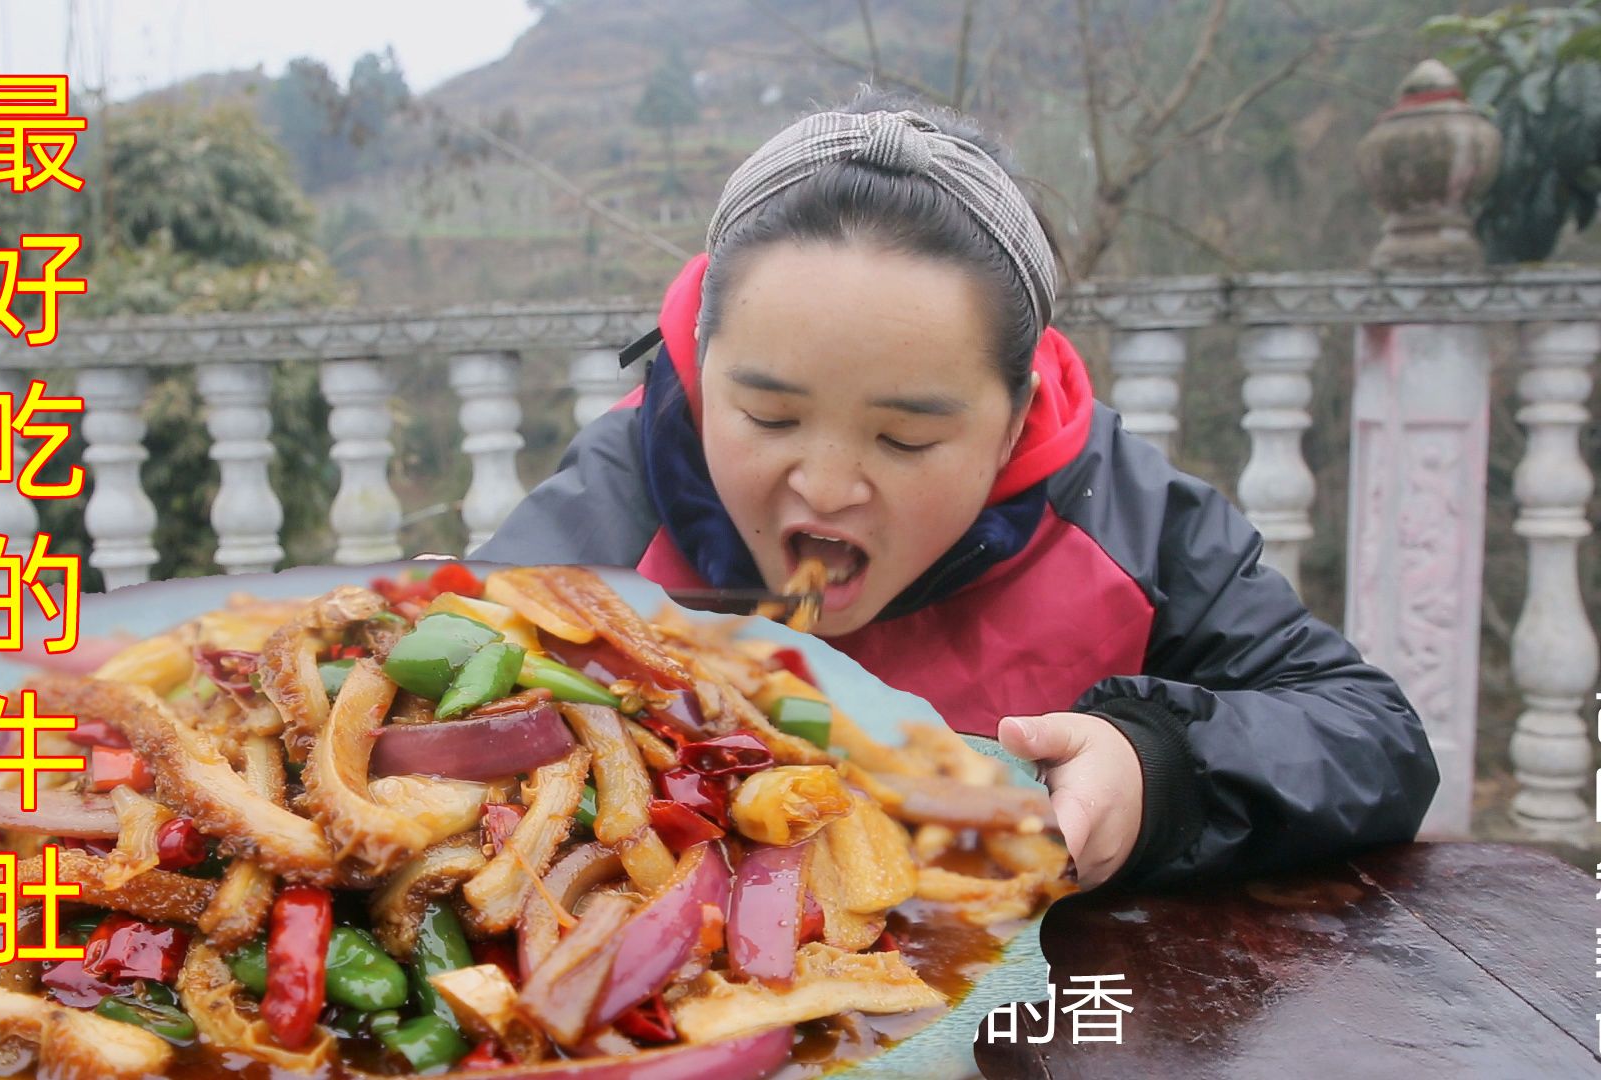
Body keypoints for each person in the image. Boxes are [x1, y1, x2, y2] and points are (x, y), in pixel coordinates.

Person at [470, 94, 1438, 891]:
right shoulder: (624, 494)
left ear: (1017, 419)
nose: (828, 485)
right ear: (698, 363)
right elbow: (429, 695)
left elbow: (1369, 736)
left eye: (907, 436)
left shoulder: (1123, 519)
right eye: (768, 418)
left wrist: (1161, 770)